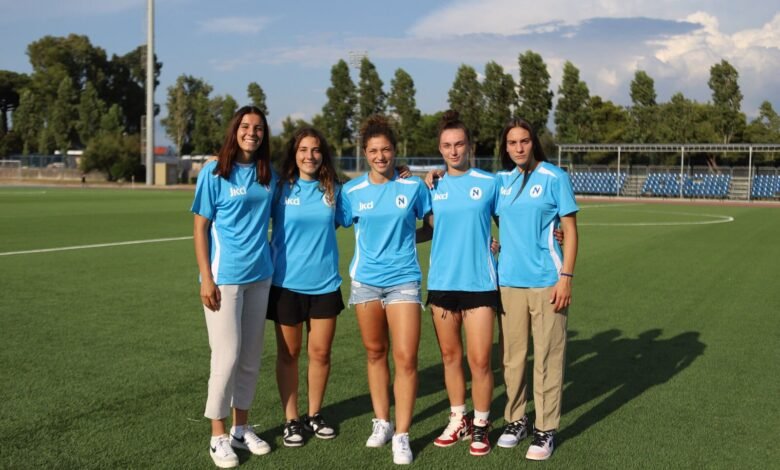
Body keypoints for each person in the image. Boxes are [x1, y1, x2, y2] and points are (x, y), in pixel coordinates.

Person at [339, 115, 432, 465]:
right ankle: (383, 422)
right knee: (375, 353)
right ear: (365, 153)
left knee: (406, 358)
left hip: (404, 280)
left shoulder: (413, 187)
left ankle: (403, 435)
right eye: (374, 151)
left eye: (386, 150)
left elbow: (432, 225)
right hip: (365, 282)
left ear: (396, 151)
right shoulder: (352, 192)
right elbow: (331, 217)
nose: (381, 156)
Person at [191, 105, 276, 468]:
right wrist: (206, 277)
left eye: (258, 128)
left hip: (261, 275)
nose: (252, 133)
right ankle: (218, 435)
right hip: (224, 279)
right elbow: (200, 227)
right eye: (245, 126)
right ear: (235, 130)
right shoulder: (214, 171)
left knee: (251, 358)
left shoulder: (267, 172)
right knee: (226, 356)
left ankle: (242, 428)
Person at [493, 118, 579, 461]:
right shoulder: (500, 181)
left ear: (533, 142)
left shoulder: (555, 177)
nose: (518, 148)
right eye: (512, 143)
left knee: (547, 357)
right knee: (512, 359)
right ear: (505, 147)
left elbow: (570, 230)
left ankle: (546, 430)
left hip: (547, 281)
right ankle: (516, 420)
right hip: (508, 282)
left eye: (524, 141)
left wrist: (567, 276)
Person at [418, 111, 499, 457]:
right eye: (447, 146)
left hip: (480, 283)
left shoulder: (490, 183)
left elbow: (511, 224)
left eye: (459, 144)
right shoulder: (432, 186)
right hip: (442, 284)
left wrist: (502, 245)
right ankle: (458, 418)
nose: (454, 151)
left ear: (469, 146)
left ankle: (481, 424)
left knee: (480, 360)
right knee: (451, 358)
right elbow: (423, 227)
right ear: (440, 148)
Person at [267, 127, 346, 447]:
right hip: (286, 285)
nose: (309, 156)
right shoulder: (279, 188)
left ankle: (314, 414)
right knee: (289, 354)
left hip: (325, 285)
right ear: (294, 154)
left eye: (315, 150)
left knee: (321, 353)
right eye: (303, 150)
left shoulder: (335, 190)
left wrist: (401, 172)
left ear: (323, 155)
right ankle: (291, 420)